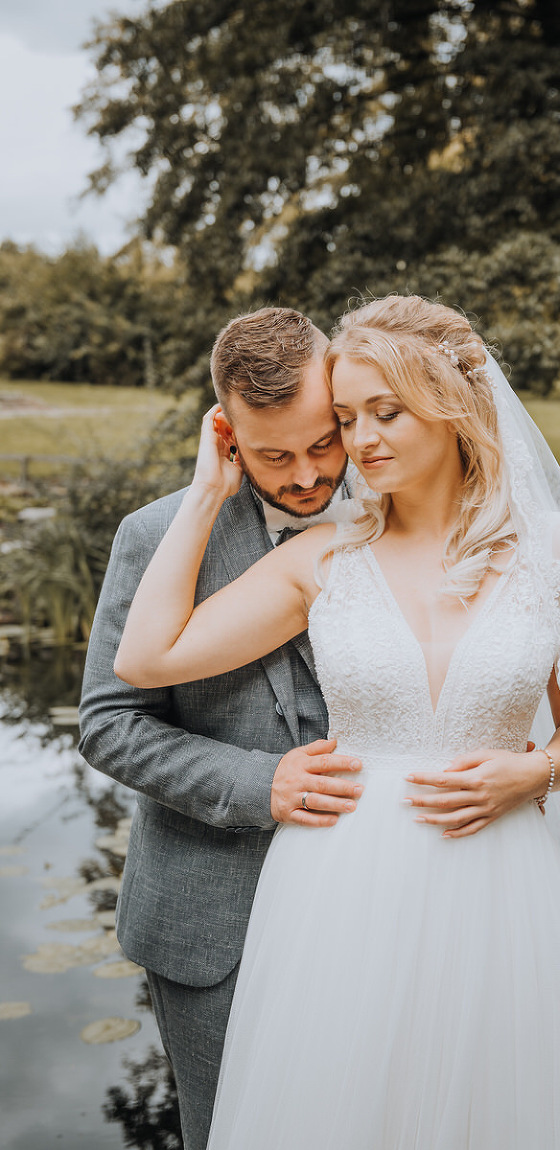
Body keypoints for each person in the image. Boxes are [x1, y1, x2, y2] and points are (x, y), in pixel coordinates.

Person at [114, 295, 560, 1150]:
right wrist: (207, 490)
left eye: (384, 412)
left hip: (508, 888)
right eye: (347, 417)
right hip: (341, 895)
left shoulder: (553, 551)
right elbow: (144, 664)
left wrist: (535, 772)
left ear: (452, 405)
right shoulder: (322, 559)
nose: (360, 441)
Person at [78, 307, 365, 1150]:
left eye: (325, 441)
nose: (309, 475)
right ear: (226, 433)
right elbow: (108, 724)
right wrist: (256, 783)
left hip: (379, 901)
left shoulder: (404, 521)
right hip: (212, 925)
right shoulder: (155, 536)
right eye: (274, 455)